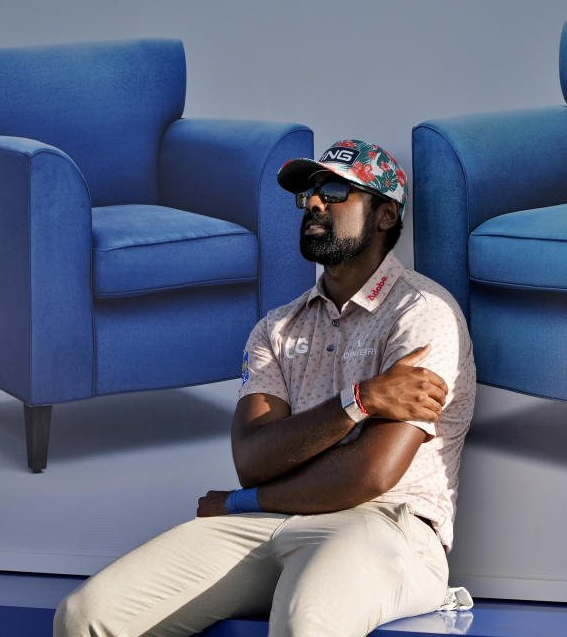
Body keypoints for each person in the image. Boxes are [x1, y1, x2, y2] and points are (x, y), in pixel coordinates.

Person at [54, 138, 476, 637]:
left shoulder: (422, 312)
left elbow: (372, 473)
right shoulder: (278, 327)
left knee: (307, 625)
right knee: (85, 617)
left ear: (385, 215)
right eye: (310, 192)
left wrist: (238, 502)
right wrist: (360, 401)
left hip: (386, 524)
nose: (315, 202)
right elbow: (253, 459)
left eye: (336, 190)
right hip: (267, 525)